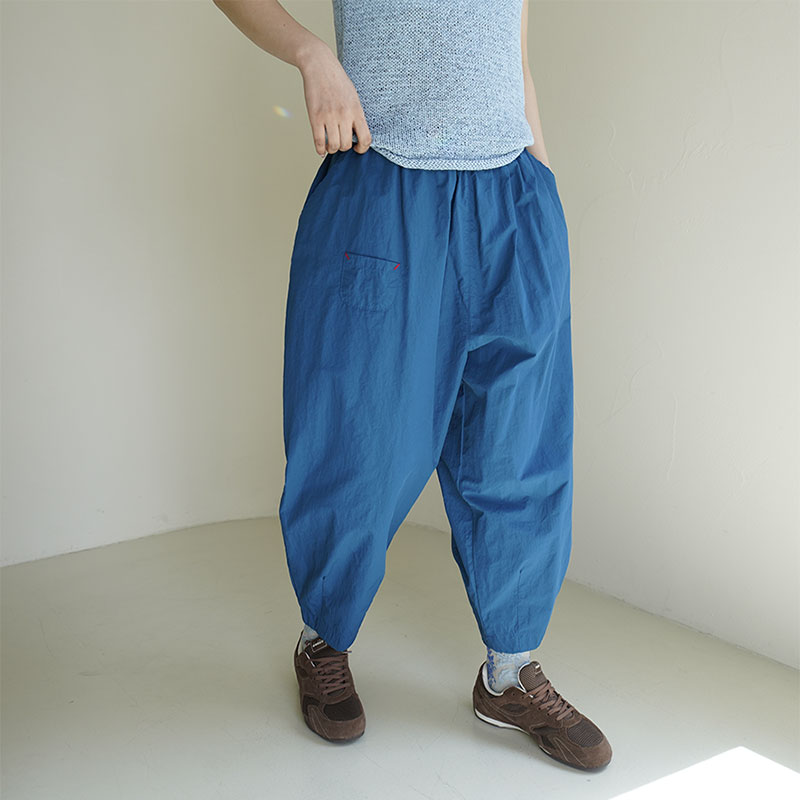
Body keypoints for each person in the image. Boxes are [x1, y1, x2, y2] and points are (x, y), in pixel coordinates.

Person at [213, 0, 611, 770]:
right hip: (386, 188)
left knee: (517, 450)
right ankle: (324, 641)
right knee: (360, 440)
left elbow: (515, 58)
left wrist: (544, 185)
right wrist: (311, 55)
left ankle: (509, 673)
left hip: (514, 201)